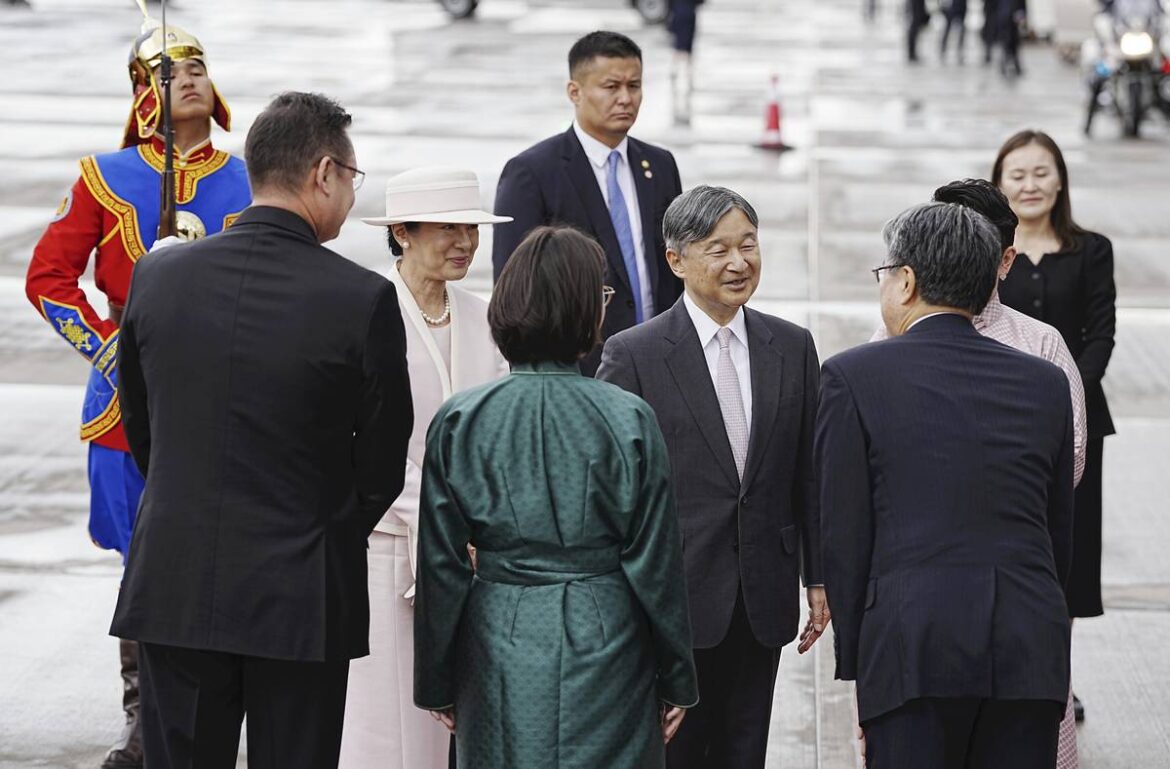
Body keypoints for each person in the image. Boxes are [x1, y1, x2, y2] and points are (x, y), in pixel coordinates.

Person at [109, 92, 413, 769]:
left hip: (178, 577)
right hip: (301, 588)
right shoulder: (359, 297)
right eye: (353, 178)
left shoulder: (158, 274)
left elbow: (143, 425)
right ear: (324, 173)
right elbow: (383, 459)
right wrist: (325, 524)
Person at [23, 18, 250, 769]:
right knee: (144, 565)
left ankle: (213, 714)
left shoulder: (250, 179)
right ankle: (146, 723)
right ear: (142, 93)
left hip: (226, 396)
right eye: (167, 69)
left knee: (223, 556)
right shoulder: (103, 176)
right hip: (128, 400)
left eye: (197, 64)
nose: (187, 76)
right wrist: (108, 345)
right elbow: (47, 277)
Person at [414, 225, 698, 769]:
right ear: (586, 311)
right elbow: (657, 563)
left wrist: (436, 678)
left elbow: (441, 565)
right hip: (608, 634)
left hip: (499, 633)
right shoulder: (627, 417)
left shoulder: (461, 418)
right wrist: (677, 676)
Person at [818, 202, 1074, 769]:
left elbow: (845, 535)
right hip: (1029, 648)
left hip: (912, 649)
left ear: (905, 280)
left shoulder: (853, 376)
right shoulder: (1045, 383)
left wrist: (862, 667)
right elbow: (1057, 533)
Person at [597, 186, 826, 769]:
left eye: (749, 245)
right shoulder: (634, 355)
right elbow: (614, 492)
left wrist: (817, 577)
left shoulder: (792, 346)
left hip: (761, 598)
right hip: (670, 602)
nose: (739, 262)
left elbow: (809, 473)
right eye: (718, 248)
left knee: (745, 754)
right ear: (675, 260)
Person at [339, 167, 511, 769]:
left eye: (472, 228)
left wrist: (477, 523)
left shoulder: (486, 317)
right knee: (382, 721)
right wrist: (435, 518)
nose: (464, 241)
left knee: (457, 720)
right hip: (388, 544)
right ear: (404, 233)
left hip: (475, 550)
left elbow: (500, 433)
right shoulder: (363, 310)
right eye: (448, 228)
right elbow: (354, 441)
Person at [993, 129, 1116, 724]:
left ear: (1060, 179)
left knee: (1065, 555)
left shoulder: (1091, 250)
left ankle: (1056, 682)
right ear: (998, 184)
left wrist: (1067, 395)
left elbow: (1100, 337)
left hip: (1078, 427)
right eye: (1016, 175)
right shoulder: (989, 253)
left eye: (1041, 172)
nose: (1029, 184)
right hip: (1002, 427)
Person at [491, 30, 684, 374]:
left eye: (634, 86)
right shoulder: (532, 172)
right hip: (577, 371)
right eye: (611, 87)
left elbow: (675, 267)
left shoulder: (659, 165)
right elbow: (513, 290)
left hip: (660, 364)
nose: (625, 98)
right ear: (575, 92)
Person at [667, 0, 703, 125]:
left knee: (679, 48)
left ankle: (677, 72)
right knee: (687, 49)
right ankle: (686, 74)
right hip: (689, 15)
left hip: (678, 15)